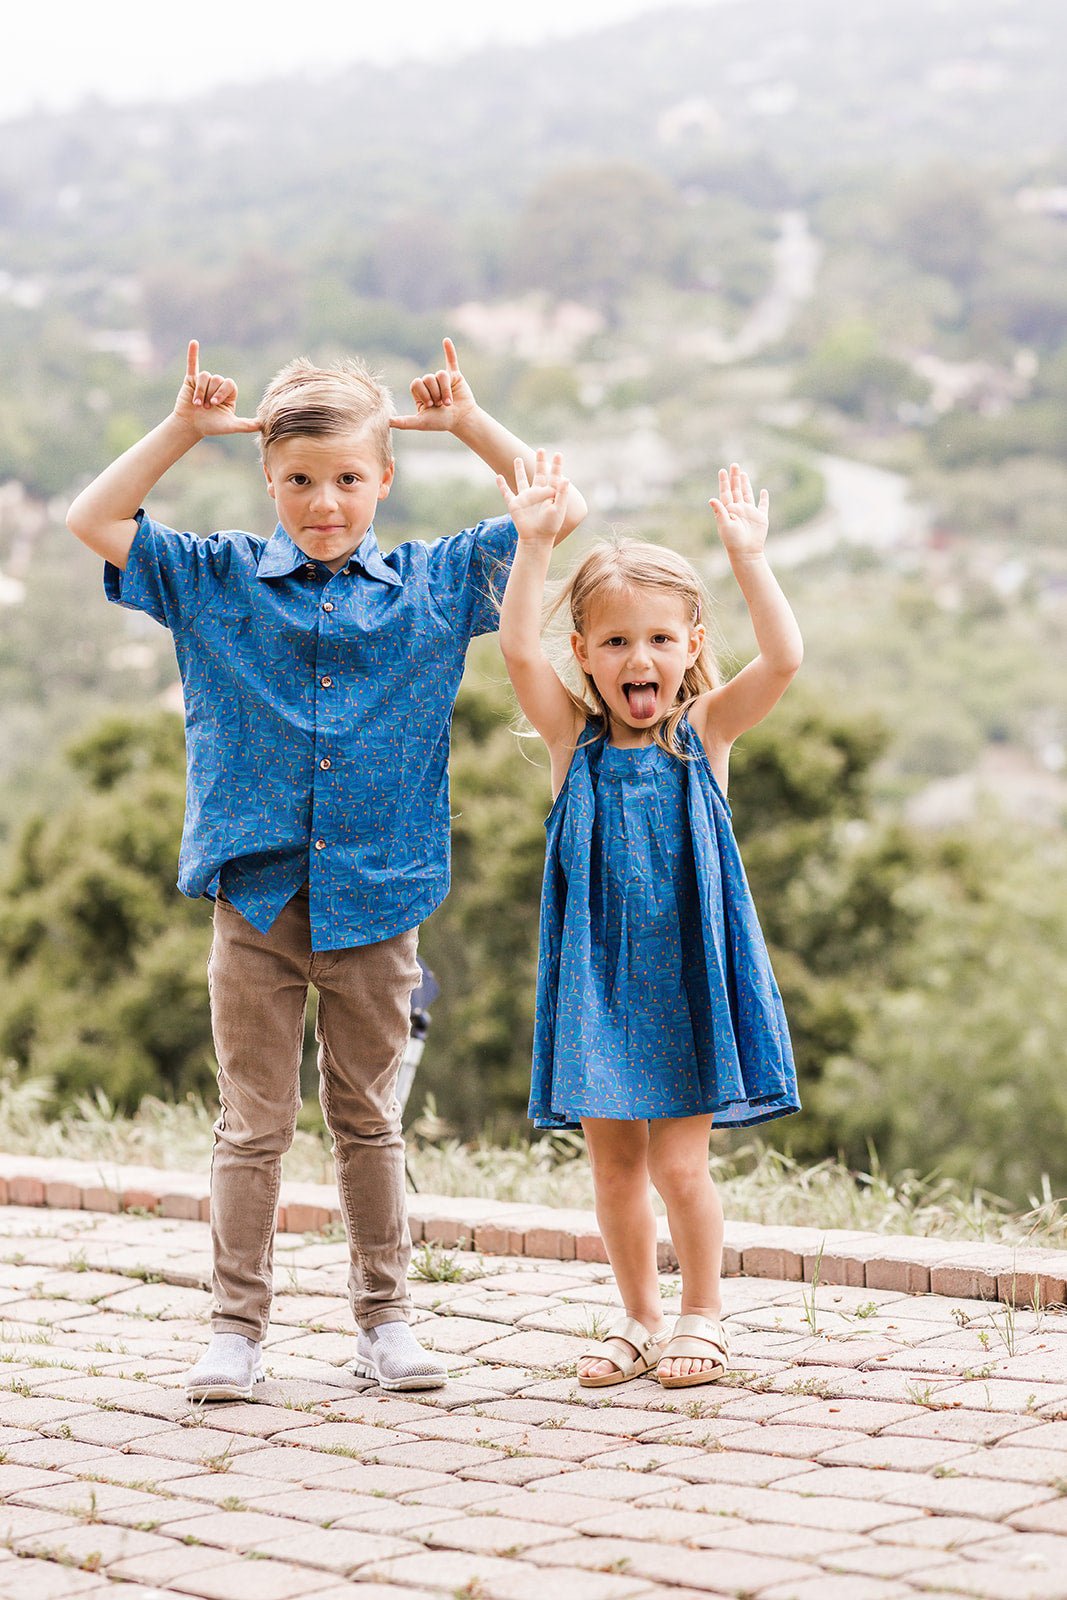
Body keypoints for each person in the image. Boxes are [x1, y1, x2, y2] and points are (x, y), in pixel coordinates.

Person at [66, 339, 586, 1400]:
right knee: (251, 1124)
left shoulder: (437, 583)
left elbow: (554, 510)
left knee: (368, 1121)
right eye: (299, 480)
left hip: (380, 900)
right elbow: (93, 519)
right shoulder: (213, 580)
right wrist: (181, 429)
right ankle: (235, 1331)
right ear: (267, 479)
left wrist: (470, 422)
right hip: (253, 902)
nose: (324, 501)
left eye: (349, 478)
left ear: (384, 479)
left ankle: (384, 1320)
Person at [496, 456, 801, 1389]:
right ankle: (637, 1319)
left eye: (661, 639)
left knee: (679, 1166)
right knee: (615, 1171)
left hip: (688, 980)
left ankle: (702, 1317)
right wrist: (535, 541)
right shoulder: (568, 742)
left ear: (690, 644)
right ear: (583, 652)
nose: (641, 660)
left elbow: (784, 659)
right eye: (617, 641)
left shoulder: (706, 735)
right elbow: (514, 651)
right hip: (596, 983)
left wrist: (748, 557)